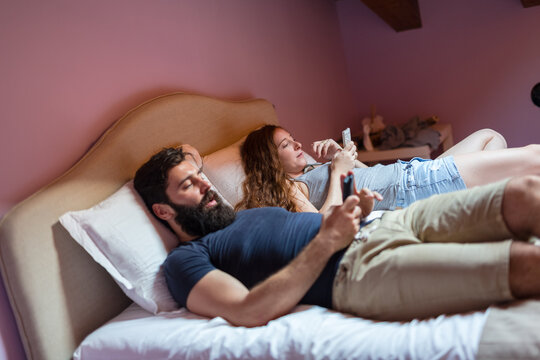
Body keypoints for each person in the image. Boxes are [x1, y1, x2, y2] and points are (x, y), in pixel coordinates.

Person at [134, 145, 540, 328]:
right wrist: (329, 240)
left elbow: (189, 149)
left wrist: (352, 210)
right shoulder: (184, 263)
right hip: (359, 271)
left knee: (525, 194)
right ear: (163, 211)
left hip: (387, 222)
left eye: (202, 176)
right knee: (524, 263)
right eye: (188, 184)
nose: (206, 185)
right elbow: (246, 310)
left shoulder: (244, 213)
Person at [235, 125, 540, 213]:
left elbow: (365, 177)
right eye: (286, 145)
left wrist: (343, 157)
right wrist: (339, 171)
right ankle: (487, 204)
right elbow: (321, 224)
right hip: (410, 185)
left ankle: (482, 205)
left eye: (293, 137)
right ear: (270, 160)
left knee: (491, 137)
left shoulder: (307, 172)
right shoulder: (291, 188)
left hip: (411, 172)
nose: (298, 144)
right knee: (530, 158)